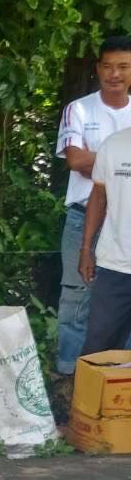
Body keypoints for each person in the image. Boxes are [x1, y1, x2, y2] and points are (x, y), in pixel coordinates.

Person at [54, 35, 131, 381]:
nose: (115, 74)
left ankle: (117, 377)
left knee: (119, 305)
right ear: (98, 69)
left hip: (126, 221)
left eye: (123, 67)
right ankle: (71, 371)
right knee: (77, 293)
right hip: (83, 215)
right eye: (108, 66)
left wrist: (100, 161)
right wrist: (117, 161)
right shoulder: (80, 109)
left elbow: (90, 161)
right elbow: (75, 160)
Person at [78, 124, 131, 357]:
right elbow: (98, 197)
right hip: (115, 266)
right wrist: (86, 248)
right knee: (98, 351)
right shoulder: (113, 144)